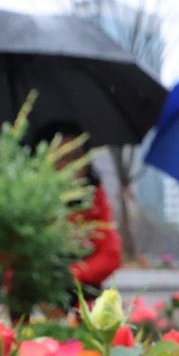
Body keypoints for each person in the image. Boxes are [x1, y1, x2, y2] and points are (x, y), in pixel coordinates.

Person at [31, 121, 122, 297]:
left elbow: (111, 254)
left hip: (82, 295)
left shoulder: (94, 197)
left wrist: (70, 275)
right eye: (63, 157)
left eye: (78, 156)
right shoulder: (29, 201)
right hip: (36, 297)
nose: (73, 165)